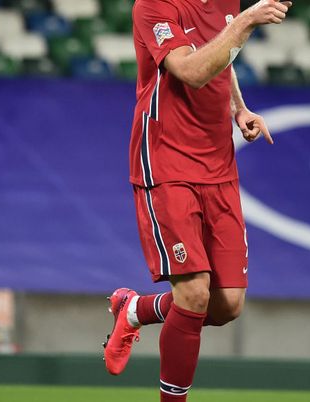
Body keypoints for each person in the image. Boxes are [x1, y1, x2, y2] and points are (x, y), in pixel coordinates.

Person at [103, 1, 291, 400]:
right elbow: (191, 70)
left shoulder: (225, 3)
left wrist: (237, 107)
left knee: (226, 305)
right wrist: (246, 21)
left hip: (218, 163)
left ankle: (136, 310)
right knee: (193, 293)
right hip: (167, 161)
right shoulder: (153, 6)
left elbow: (220, 47)